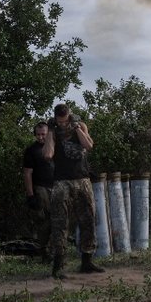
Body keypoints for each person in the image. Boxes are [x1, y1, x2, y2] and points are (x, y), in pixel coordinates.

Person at [43, 103, 104, 278]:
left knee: (88, 219)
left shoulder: (79, 125)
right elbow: (47, 155)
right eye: (59, 122)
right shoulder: (53, 130)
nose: (62, 124)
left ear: (69, 116)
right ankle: (58, 265)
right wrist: (51, 132)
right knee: (60, 223)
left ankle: (87, 261)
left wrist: (77, 128)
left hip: (82, 178)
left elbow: (89, 145)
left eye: (65, 121)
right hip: (62, 181)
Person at [23, 121, 53, 260]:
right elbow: (27, 173)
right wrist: (30, 195)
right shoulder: (31, 150)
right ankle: (44, 252)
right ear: (35, 135)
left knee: (58, 220)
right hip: (41, 188)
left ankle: (56, 250)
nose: (41, 137)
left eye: (44, 134)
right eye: (38, 134)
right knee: (44, 221)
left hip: (57, 186)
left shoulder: (54, 147)